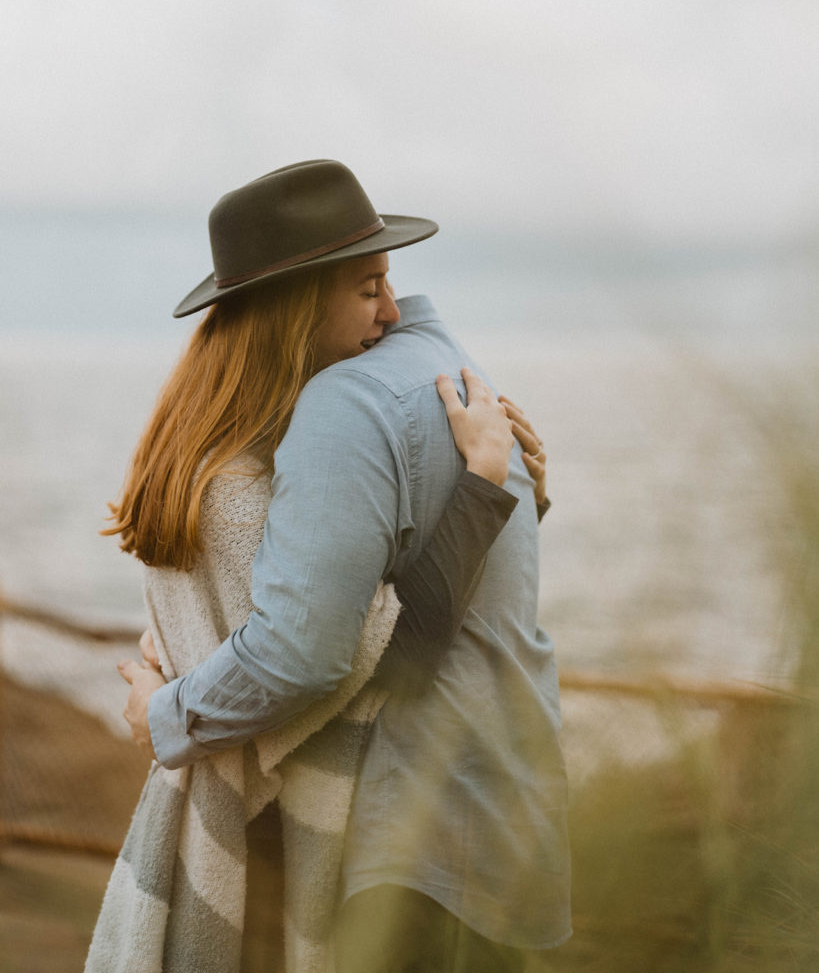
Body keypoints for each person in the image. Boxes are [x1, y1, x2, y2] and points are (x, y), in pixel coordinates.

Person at [114, 159, 570, 972]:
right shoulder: (246, 484)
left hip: (246, 805)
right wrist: (479, 490)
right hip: (267, 826)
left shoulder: (212, 446)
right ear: (293, 303)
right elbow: (373, 655)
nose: (392, 314)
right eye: (368, 288)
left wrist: (506, 500)